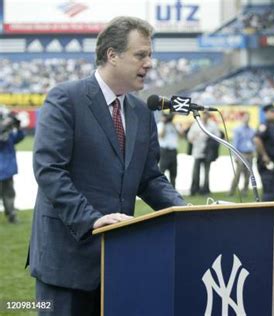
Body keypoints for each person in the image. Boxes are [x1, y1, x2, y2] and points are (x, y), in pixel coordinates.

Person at [27, 17, 186, 316]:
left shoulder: (141, 111)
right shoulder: (65, 98)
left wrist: (185, 211)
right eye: (141, 54)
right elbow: (49, 170)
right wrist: (91, 220)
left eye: (150, 55)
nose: (149, 63)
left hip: (119, 261)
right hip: (66, 262)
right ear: (112, 55)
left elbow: (149, 178)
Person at [254, 104, 274, 201]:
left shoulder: (273, 126)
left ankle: (271, 215)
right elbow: (257, 139)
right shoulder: (264, 125)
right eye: (272, 112)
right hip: (267, 163)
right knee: (269, 192)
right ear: (266, 113)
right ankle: (266, 215)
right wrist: (264, 156)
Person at [0, 107, 24, 224]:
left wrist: (17, 126)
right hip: (5, 168)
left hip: (7, 169)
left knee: (9, 194)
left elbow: (19, 137)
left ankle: (11, 214)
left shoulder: (8, 135)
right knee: (8, 194)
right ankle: (11, 214)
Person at [187, 111, 219, 195]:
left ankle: (205, 189)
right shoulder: (196, 124)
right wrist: (195, 137)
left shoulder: (212, 125)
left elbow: (217, 136)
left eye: (206, 115)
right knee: (195, 172)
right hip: (198, 151)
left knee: (206, 172)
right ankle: (194, 189)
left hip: (208, 152)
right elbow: (189, 137)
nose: (205, 117)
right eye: (204, 115)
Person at [229, 112, 255, 197]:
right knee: (238, 173)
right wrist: (235, 155)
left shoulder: (252, 130)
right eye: (245, 117)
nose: (247, 119)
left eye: (248, 117)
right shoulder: (238, 129)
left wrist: (253, 151)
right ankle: (232, 191)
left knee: (248, 173)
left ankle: (245, 191)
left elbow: (253, 142)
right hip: (241, 153)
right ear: (242, 118)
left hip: (249, 153)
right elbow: (235, 143)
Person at [157, 112, 181, 188]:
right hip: (165, 151)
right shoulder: (160, 125)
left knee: (173, 172)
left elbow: (181, 135)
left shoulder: (173, 125)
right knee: (162, 171)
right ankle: (160, 189)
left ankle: (173, 189)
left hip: (173, 151)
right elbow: (161, 135)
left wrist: (173, 124)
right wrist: (164, 123)